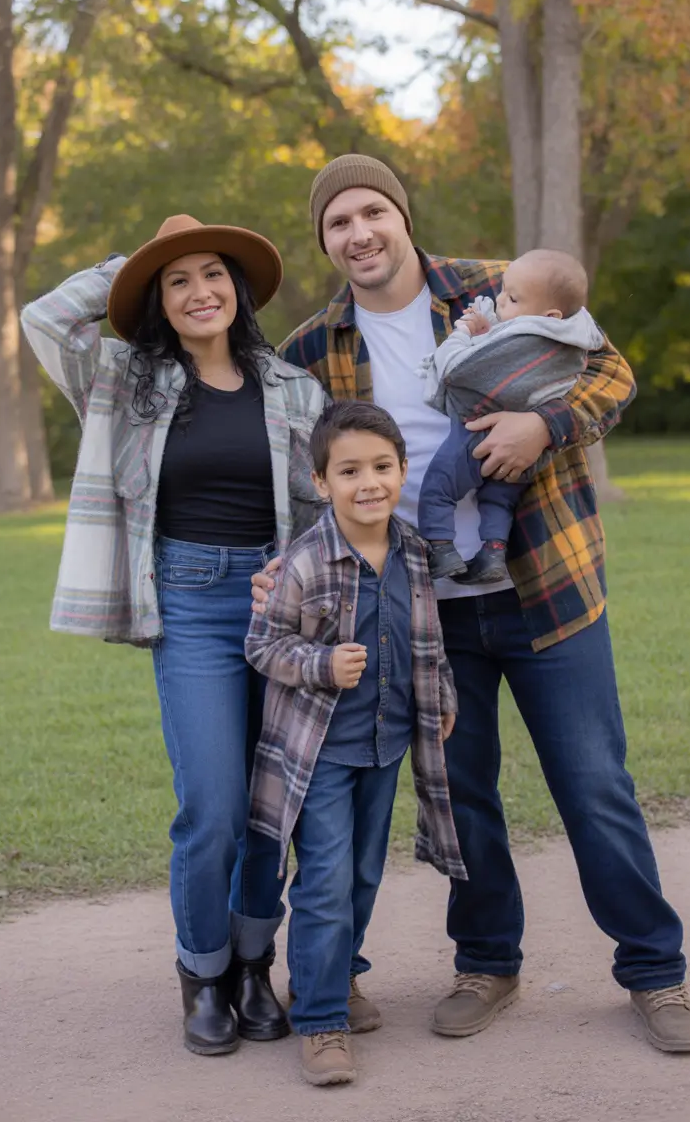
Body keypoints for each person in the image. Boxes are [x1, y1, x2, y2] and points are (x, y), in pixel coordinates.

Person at [252, 154, 690, 1054]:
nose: (359, 234)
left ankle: (656, 972)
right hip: (424, 609)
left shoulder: (504, 290)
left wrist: (547, 424)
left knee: (595, 785)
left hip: (548, 587)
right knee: (461, 795)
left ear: (402, 216)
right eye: (338, 223)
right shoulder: (312, 347)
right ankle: (488, 962)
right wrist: (282, 567)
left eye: (372, 211)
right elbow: (304, 485)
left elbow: (611, 375)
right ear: (326, 241)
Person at [21, 214, 326, 1056]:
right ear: (158, 299)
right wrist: (139, 257)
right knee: (214, 809)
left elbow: (321, 508)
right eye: (178, 279)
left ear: (240, 289)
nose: (200, 292)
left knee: (272, 811)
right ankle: (202, 975)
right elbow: (43, 319)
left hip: (279, 603)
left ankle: (254, 967)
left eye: (213, 273)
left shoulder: (291, 388)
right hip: (188, 604)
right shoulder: (124, 378)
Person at [245, 400, 465, 1086]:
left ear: (402, 472)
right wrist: (320, 665)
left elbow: (429, 637)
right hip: (322, 754)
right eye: (349, 471)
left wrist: (445, 698)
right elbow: (262, 644)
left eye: (381, 467)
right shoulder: (305, 563)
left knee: (364, 876)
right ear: (321, 481)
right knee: (326, 882)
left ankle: (337, 978)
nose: (368, 482)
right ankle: (319, 1022)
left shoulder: (413, 551)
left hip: (388, 744)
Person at [417, 248, 604, 584]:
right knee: (498, 500)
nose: (499, 300)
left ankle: (440, 548)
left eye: (512, 298)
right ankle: (493, 552)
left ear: (550, 315)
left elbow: (457, 370)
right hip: (528, 458)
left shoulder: (523, 339)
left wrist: (463, 334)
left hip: (478, 432)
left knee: (437, 489)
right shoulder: (573, 341)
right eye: (503, 291)